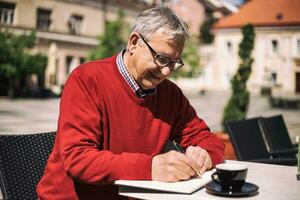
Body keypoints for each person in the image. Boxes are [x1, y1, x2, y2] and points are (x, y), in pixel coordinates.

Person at [37, 6, 224, 200]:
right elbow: (77, 159)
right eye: (161, 58)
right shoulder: (87, 80)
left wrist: (205, 154)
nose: (167, 71)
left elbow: (206, 138)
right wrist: (150, 167)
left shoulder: (170, 95)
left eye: (174, 63)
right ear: (134, 42)